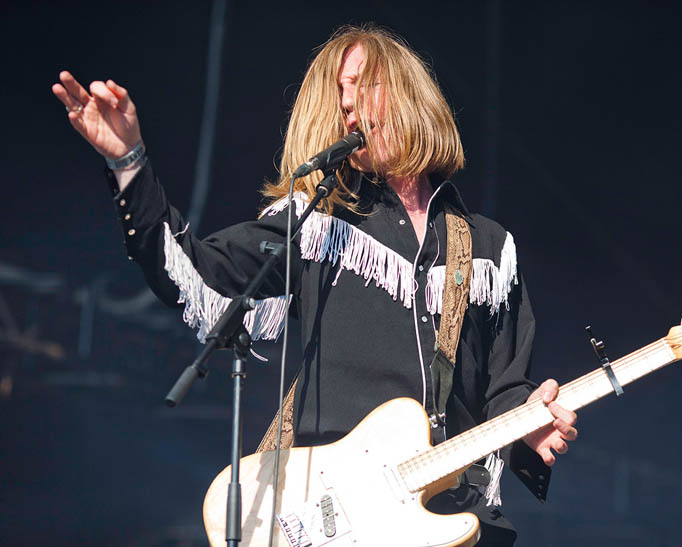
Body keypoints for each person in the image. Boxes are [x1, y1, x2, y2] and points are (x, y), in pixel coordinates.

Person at [52, 25, 578, 546]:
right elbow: (192, 270)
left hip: (455, 521)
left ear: (408, 92)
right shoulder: (319, 226)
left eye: (362, 84)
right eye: (340, 94)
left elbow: (505, 389)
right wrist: (128, 162)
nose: (349, 104)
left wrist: (529, 424)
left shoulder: (487, 248)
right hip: (345, 522)